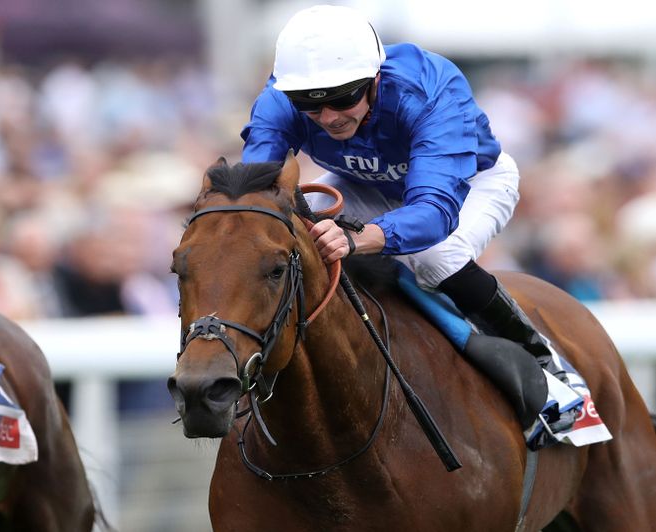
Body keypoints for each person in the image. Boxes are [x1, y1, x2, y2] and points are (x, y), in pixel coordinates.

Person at [241, 6, 576, 433]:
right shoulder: (279, 100)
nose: (328, 117)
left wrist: (358, 238)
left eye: (344, 97)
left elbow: (434, 212)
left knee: (435, 258)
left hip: (469, 184)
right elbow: (256, 190)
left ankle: (543, 362)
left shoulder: (428, 91)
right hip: (361, 181)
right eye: (310, 103)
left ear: (375, 79)